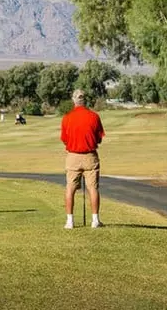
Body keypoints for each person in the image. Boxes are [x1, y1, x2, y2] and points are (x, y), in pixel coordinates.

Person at [60, 89, 105, 229]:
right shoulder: (94, 116)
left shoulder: (67, 118)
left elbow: (64, 139)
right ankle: (95, 221)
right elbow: (99, 138)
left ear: (73, 100)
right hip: (90, 156)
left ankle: (69, 222)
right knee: (93, 188)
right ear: (84, 100)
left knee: (70, 188)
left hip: (73, 156)